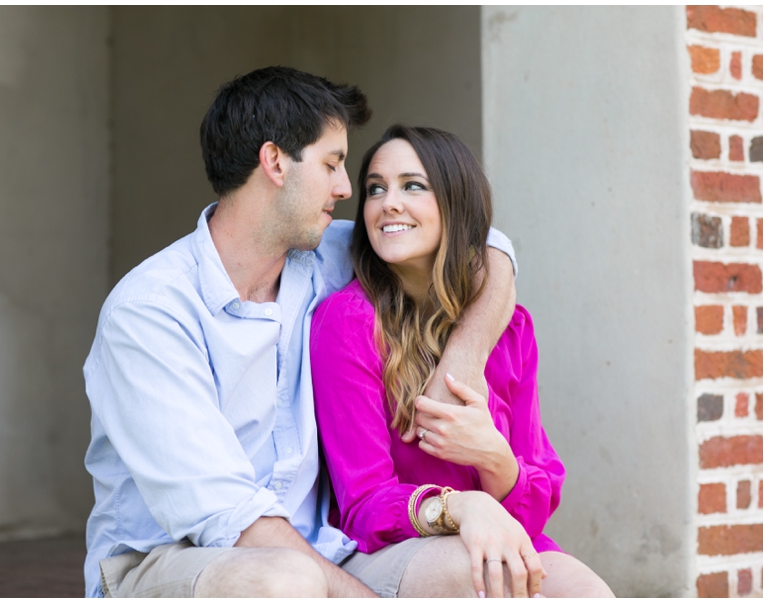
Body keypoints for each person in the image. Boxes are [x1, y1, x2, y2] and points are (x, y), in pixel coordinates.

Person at [82, 68, 520, 598]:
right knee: (284, 582)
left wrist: (463, 356)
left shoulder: (327, 255)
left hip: (322, 550)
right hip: (175, 558)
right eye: (332, 163)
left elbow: (486, 249)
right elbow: (229, 517)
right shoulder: (151, 312)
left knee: (475, 569)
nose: (346, 187)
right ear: (274, 163)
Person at [311, 125, 615, 597]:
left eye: (413, 185)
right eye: (376, 188)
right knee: (492, 575)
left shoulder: (510, 328)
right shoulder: (347, 324)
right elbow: (364, 506)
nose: (388, 202)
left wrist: (493, 457)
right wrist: (461, 507)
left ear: (456, 203)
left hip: (500, 535)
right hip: (387, 549)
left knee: (585, 592)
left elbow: (536, 495)